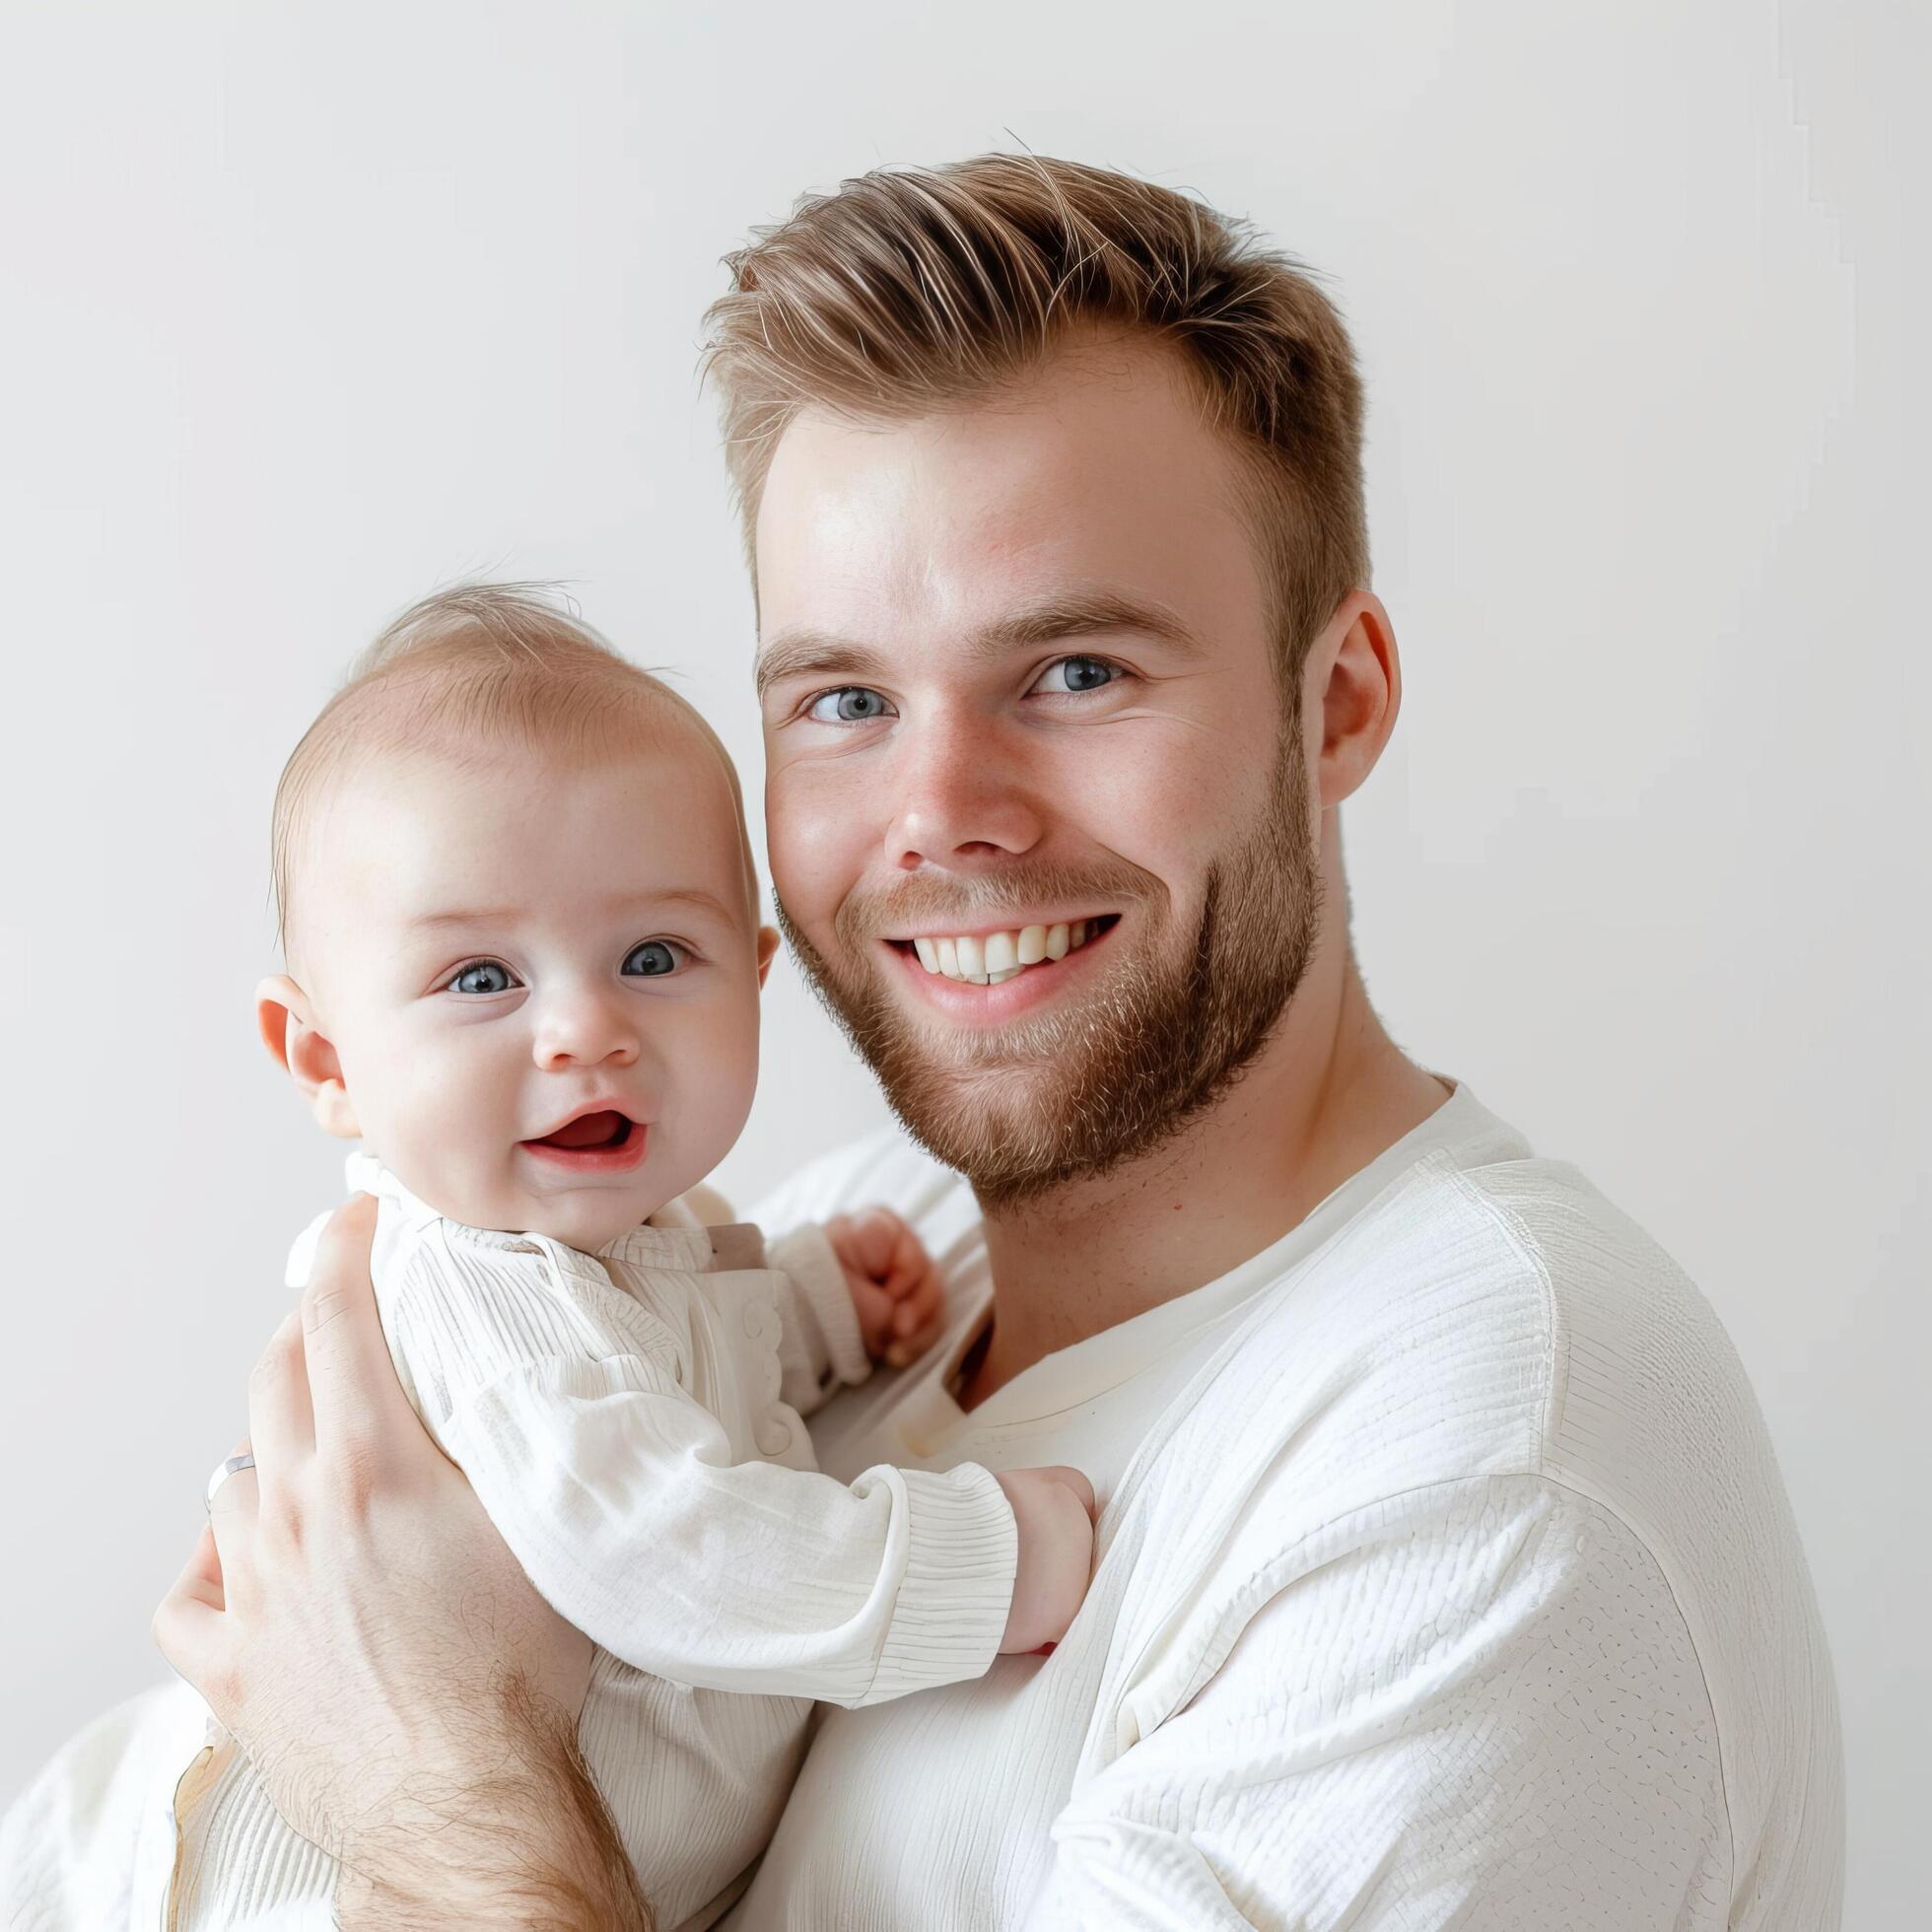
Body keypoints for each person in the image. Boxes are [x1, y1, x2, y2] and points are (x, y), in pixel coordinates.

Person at [8, 154, 1844, 1930]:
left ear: (1338, 696)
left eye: (1076, 673)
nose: (941, 813)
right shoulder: (874, 1239)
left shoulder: (1474, 1476)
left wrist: (436, 1782)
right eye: (847, 700)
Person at [4, 587, 1098, 1931]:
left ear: (755, 979)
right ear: (328, 1061)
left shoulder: (639, 1237)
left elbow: (678, 1368)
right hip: (300, 1887)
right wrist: (981, 1569)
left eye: (652, 956)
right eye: (481, 979)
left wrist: (815, 1305)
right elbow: (669, 1544)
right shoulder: (482, 1288)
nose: (586, 1028)